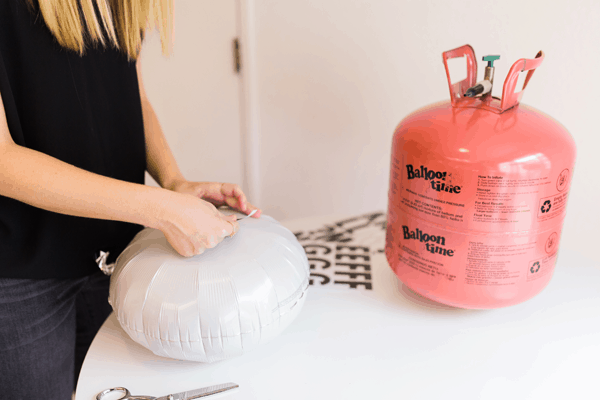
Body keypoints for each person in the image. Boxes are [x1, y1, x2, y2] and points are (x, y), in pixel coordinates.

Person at [0, 0, 260, 397]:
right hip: (21, 271)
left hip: (117, 255)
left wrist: (173, 182)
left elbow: (133, 97)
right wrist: (160, 209)